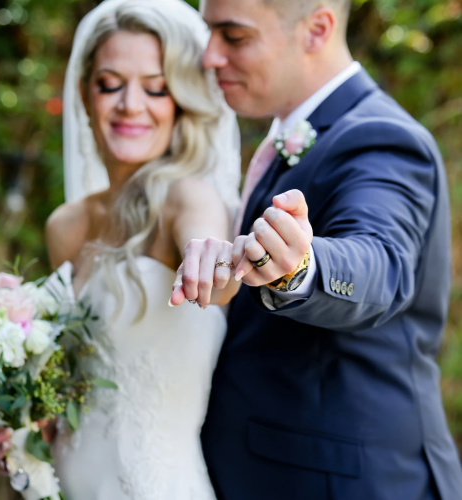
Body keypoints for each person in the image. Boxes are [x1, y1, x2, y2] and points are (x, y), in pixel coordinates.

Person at [170, 0, 462, 499]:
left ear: (316, 29)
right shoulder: (297, 132)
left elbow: (381, 261)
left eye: (234, 36)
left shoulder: (382, 139)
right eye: (208, 34)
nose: (210, 57)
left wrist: (302, 267)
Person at [45, 0, 241, 498]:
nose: (131, 104)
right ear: (85, 95)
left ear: (180, 101)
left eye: (155, 87)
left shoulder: (187, 198)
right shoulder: (66, 226)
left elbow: (213, 264)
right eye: (110, 84)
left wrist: (216, 264)